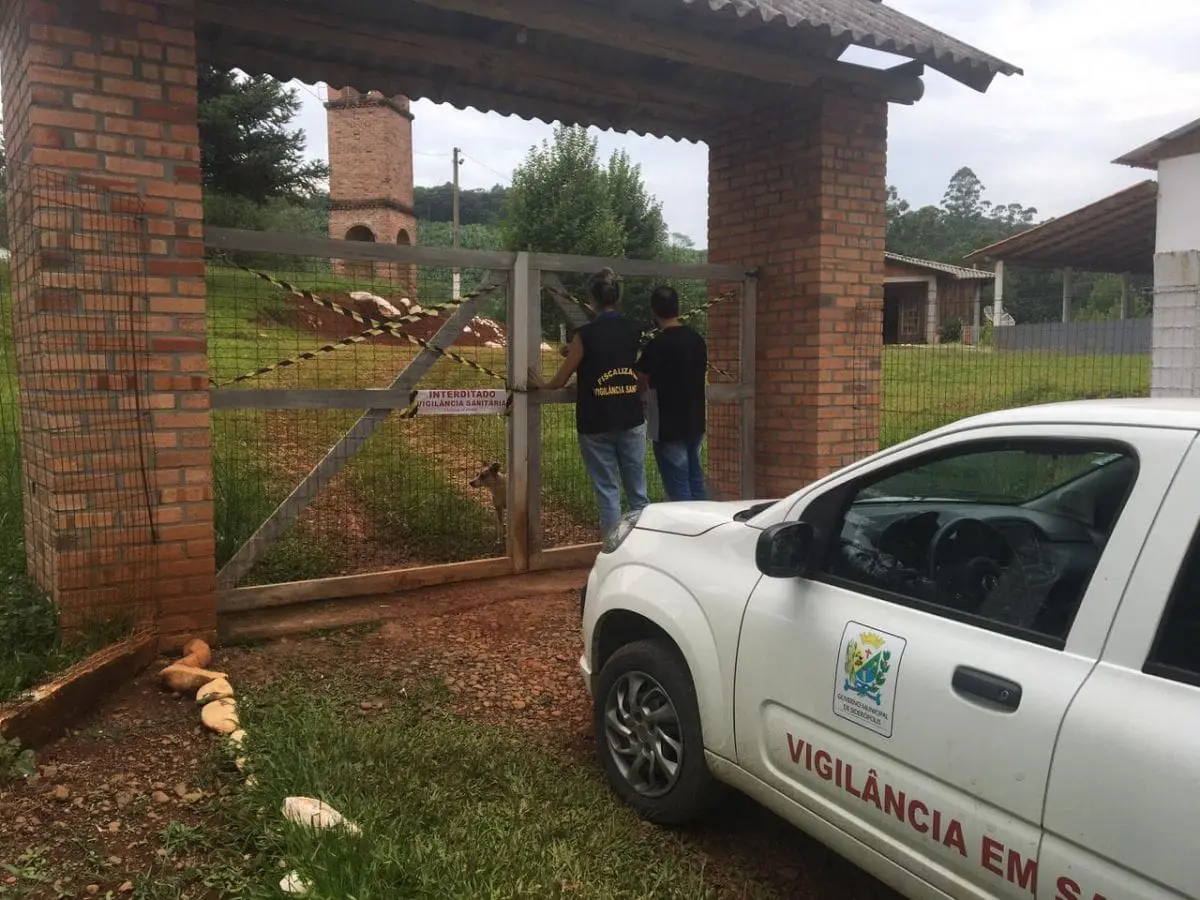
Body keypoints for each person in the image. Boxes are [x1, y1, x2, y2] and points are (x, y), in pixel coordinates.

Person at [529, 268, 649, 536]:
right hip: (630, 417)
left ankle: (612, 549)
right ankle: (642, 549)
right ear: (617, 297)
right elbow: (618, 357)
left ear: (591, 300)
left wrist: (542, 383)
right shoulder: (633, 330)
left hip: (596, 421)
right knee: (638, 494)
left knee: (608, 491)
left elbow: (562, 378)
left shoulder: (584, 334)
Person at [635, 285, 708, 502]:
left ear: (653, 311)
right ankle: (705, 527)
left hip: (668, 425)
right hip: (695, 420)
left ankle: (686, 532)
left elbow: (639, 377)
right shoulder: (697, 340)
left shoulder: (656, 345)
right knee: (696, 480)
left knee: (678, 489)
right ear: (678, 307)